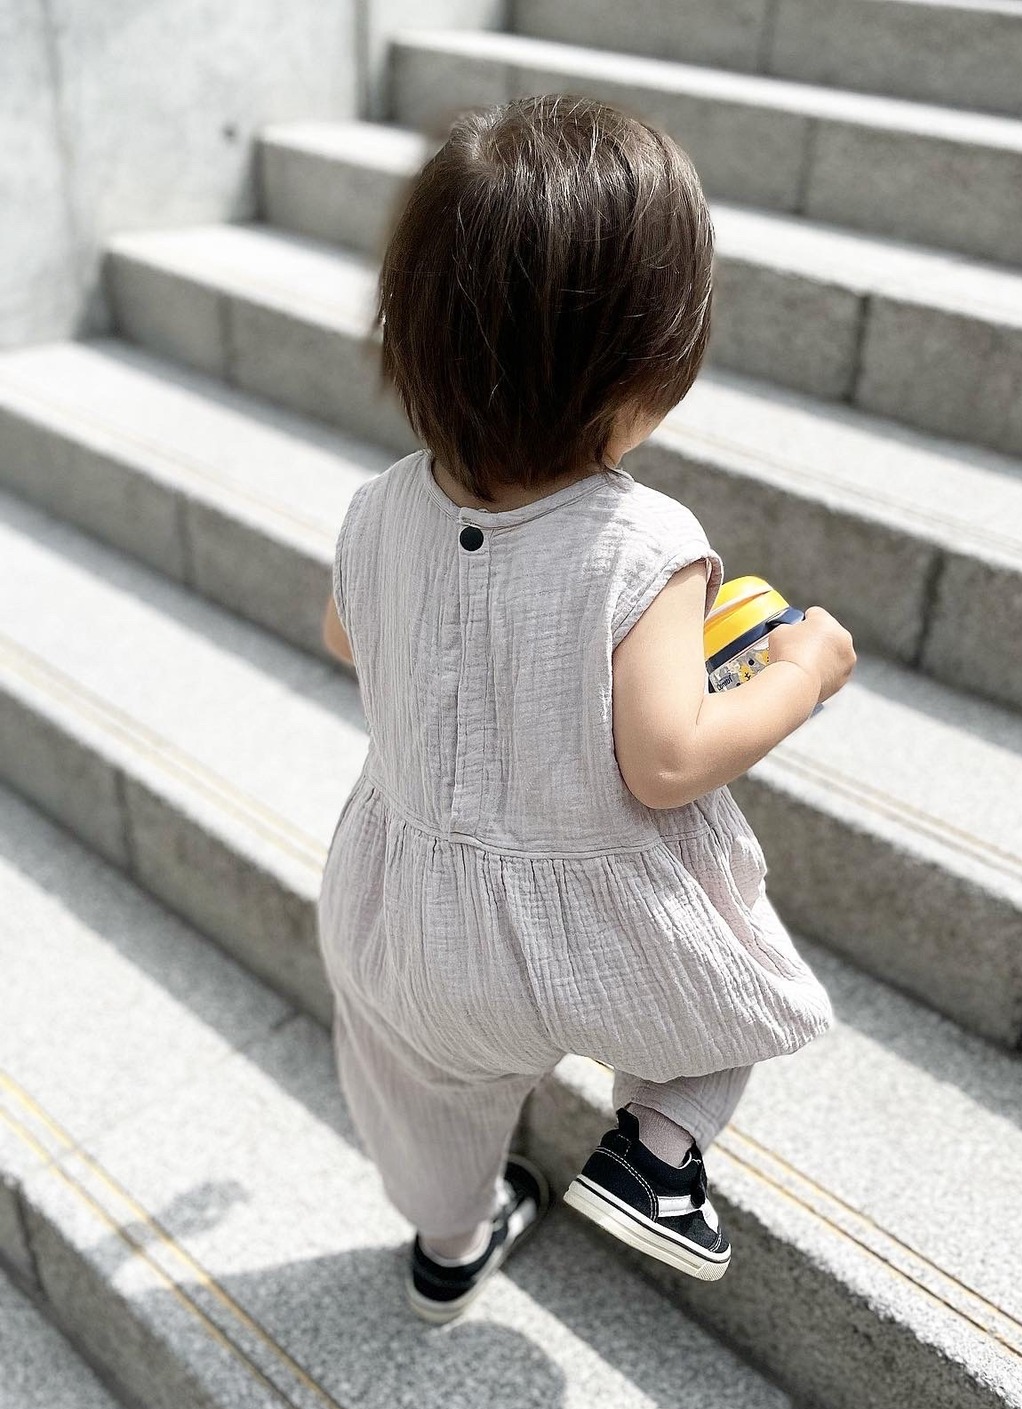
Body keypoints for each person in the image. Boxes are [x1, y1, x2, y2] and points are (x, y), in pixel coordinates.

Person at [317, 93, 857, 1325]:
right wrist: (799, 673)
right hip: (594, 935)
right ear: (645, 361)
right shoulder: (643, 540)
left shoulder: (377, 505)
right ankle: (655, 1158)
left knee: (424, 1099)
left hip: (402, 910)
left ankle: (449, 1244)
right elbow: (668, 759)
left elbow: (350, 636)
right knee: (721, 999)